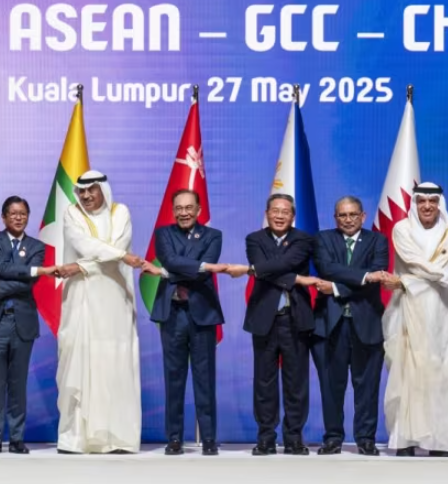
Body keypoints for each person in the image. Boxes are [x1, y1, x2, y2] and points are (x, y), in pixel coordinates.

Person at [53, 171, 148, 454]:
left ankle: (117, 437)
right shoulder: (71, 214)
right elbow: (85, 245)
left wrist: (82, 266)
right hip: (81, 298)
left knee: (114, 362)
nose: (85, 196)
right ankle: (76, 438)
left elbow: (114, 250)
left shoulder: (121, 213)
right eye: (81, 191)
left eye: (91, 190)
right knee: (78, 358)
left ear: (103, 190)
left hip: (115, 299)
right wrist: (121, 257)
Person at [383, 183, 448, 457]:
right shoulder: (402, 229)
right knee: (408, 371)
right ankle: (405, 439)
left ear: (439, 204)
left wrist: (406, 280)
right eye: (421, 201)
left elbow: (429, 271)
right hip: (409, 308)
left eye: (432, 201)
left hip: (442, 312)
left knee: (443, 372)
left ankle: (441, 441)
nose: (426, 206)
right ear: (414, 203)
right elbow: (415, 264)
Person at [0, 196, 55, 454]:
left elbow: (27, 284)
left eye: (23, 214)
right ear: (4, 217)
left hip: (22, 322)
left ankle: (17, 438)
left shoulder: (37, 246)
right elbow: (1, 267)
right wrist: (32, 271)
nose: (18, 218)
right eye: (13, 213)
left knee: (18, 384)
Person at [312, 195, 392, 456]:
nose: (348, 220)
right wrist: (365, 276)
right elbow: (327, 268)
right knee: (331, 385)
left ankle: (365, 439)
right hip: (330, 324)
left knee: (367, 386)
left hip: (367, 324)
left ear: (363, 216)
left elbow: (377, 275)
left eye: (353, 214)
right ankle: (333, 438)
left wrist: (336, 288)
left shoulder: (378, 240)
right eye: (342, 215)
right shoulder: (323, 239)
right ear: (335, 218)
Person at [243, 193, 321, 456]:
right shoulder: (254, 239)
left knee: (296, 382)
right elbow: (263, 267)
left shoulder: (304, 239)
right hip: (264, 318)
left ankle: (294, 438)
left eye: (285, 211)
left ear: (293, 216)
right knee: (263, 381)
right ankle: (266, 437)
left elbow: (274, 266)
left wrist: (261, 270)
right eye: (275, 211)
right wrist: (296, 279)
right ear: (267, 213)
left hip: (295, 318)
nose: (279, 216)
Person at [149, 190, 225, 456]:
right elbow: (170, 260)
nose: (184, 213)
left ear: (198, 210)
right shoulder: (162, 234)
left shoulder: (213, 235)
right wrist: (198, 266)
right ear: (173, 211)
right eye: (179, 208)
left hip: (202, 314)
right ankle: (174, 438)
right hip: (172, 313)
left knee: (205, 378)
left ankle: (209, 439)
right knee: (174, 378)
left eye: (189, 208)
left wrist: (169, 272)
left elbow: (206, 267)